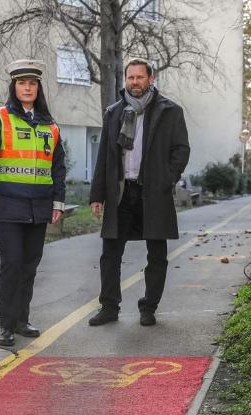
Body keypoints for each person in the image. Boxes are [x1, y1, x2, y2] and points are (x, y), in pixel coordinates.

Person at [88, 58, 190, 327]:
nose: (135, 82)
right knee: (110, 253)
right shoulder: (114, 112)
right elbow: (104, 158)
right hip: (121, 193)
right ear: (126, 80)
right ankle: (109, 307)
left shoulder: (170, 111)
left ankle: (149, 307)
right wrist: (97, 195)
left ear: (151, 78)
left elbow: (181, 150)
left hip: (153, 193)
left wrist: (166, 179)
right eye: (130, 78)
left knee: (156, 253)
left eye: (140, 77)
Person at [0, 59, 67, 346]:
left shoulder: (50, 126)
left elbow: (58, 167)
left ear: (38, 88)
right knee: (12, 264)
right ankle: (6, 326)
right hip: (8, 205)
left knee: (29, 266)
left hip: (39, 206)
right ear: (13, 87)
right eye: (21, 83)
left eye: (32, 83)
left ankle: (21, 320)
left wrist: (58, 203)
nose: (27, 88)